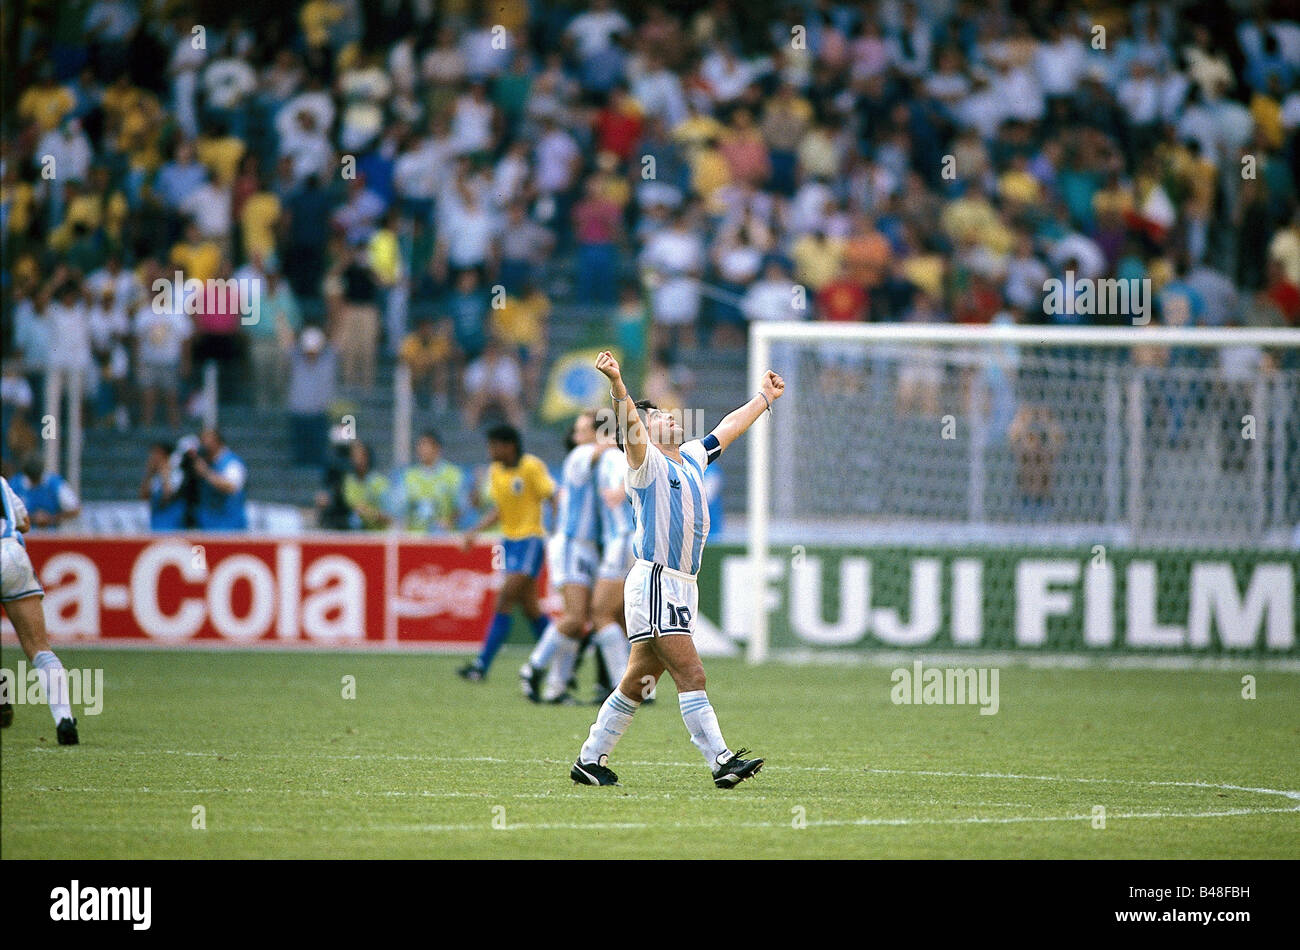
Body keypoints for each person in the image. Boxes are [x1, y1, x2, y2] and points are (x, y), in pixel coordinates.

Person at [570, 350, 784, 789]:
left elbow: (727, 429)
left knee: (639, 681)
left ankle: (589, 760)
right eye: (660, 417)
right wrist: (617, 384)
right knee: (692, 673)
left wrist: (763, 397)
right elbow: (628, 423)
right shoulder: (645, 465)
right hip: (655, 581)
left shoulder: (689, 457)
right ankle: (721, 761)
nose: (671, 417)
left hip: (683, 584)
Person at [518, 412, 607, 704]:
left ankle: (557, 687)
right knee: (575, 617)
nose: (575, 436)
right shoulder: (582, 455)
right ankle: (533, 667)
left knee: (580, 620)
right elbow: (600, 450)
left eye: (581, 430)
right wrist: (629, 436)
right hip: (573, 545)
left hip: (588, 547)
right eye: (577, 431)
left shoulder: (597, 461)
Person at [457, 424, 556, 680]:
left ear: (509, 446)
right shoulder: (495, 472)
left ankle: (481, 665)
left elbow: (552, 496)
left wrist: (558, 532)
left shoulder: (531, 466)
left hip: (531, 540)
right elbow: (499, 510)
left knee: (503, 600)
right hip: (509, 542)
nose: (490, 451)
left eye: (494, 446)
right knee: (531, 608)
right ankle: (560, 661)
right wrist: (474, 531)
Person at [0, 475, 79, 743]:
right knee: (39, 648)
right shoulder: (2, 482)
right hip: (12, 554)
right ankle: (64, 720)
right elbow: (24, 522)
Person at [398, 431, 464, 534]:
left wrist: (449, 521)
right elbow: (400, 508)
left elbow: (462, 506)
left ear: (437, 448)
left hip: (443, 536)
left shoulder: (452, 474)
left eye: (425, 445)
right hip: (415, 537)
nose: (421, 450)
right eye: (420, 445)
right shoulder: (409, 476)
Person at [192, 427, 248, 530]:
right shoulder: (205, 462)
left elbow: (231, 487)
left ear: (216, 441)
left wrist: (206, 473)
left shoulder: (232, 463)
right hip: (207, 526)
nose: (202, 444)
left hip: (229, 527)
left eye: (205, 440)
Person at [12, 455, 80, 531]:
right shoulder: (15, 485)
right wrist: (31, 518)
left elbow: (75, 510)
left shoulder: (55, 484)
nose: (35, 482)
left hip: (51, 535)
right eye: (32, 479)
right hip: (23, 535)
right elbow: (6, 513)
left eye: (37, 478)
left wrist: (50, 518)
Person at [140, 441, 185, 530]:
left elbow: (167, 496)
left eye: (156, 454)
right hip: (156, 523)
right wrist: (149, 474)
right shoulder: (154, 476)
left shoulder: (177, 474)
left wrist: (165, 474)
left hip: (173, 524)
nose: (152, 458)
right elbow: (144, 496)